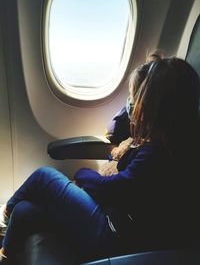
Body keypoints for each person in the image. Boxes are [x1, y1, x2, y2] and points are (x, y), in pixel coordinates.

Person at [0, 56, 200, 263]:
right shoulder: (160, 144)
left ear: (161, 106)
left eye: (143, 97)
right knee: (25, 211)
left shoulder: (160, 154)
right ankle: (5, 256)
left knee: (44, 176)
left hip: (114, 234)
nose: (137, 103)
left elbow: (113, 189)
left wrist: (82, 174)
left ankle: (4, 214)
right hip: (112, 216)